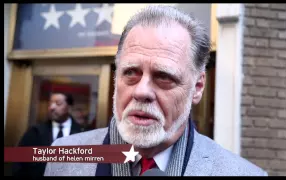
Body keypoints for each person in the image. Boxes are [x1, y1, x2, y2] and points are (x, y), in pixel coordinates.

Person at [44, 6, 267, 176]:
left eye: (164, 76)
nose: (141, 92)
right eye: (131, 72)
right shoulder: (63, 156)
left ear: (198, 87)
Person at [12, 92, 87, 176]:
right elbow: (18, 163)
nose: (52, 107)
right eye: (50, 103)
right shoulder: (35, 132)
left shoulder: (83, 133)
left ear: (69, 107)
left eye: (58, 103)